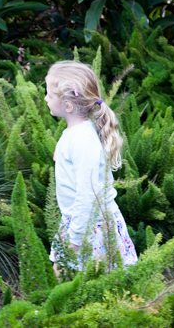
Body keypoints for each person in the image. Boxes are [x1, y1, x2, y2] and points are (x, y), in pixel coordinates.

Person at [43, 60, 137, 275]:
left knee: (90, 282)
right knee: (68, 279)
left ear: (68, 106)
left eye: (49, 94)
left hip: (91, 227)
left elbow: (89, 195)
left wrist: (75, 239)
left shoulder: (83, 140)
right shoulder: (76, 134)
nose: (46, 98)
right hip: (80, 220)